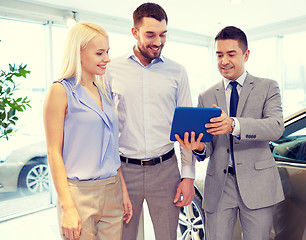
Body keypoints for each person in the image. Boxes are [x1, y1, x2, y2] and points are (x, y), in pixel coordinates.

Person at [175, 26, 285, 240]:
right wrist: (197, 147)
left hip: (258, 183)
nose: (224, 61)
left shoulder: (268, 87)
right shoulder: (206, 96)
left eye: (231, 54)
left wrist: (234, 125)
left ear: (246, 55)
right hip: (219, 185)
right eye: (219, 55)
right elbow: (207, 147)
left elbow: (275, 127)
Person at [104, 2, 195, 240]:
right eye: (150, 35)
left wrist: (188, 176)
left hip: (166, 170)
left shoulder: (178, 72)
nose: (158, 41)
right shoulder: (110, 70)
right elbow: (103, 125)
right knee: (124, 236)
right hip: (124, 172)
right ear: (135, 32)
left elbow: (187, 128)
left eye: (163, 34)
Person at [43, 22, 132, 240]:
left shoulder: (104, 92)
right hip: (79, 194)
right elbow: (54, 153)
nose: (107, 59)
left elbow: (112, 148)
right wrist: (68, 207)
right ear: (79, 53)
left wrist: (123, 192)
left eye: (108, 52)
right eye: (100, 53)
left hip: (112, 190)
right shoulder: (59, 91)